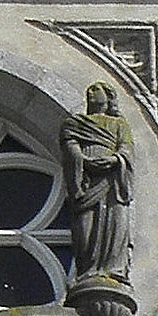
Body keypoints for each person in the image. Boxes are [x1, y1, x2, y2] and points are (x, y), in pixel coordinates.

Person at [63, 81, 135, 288]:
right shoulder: (75, 122)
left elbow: (126, 148)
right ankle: (87, 270)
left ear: (109, 96)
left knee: (116, 225)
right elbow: (70, 145)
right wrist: (82, 160)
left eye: (96, 90)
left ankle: (112, 270)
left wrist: (115, 160)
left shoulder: (120, 125)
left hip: (112, 182)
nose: (90, 93)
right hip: (86, 182)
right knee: (85, 230)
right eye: (89, 90)